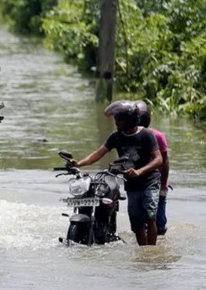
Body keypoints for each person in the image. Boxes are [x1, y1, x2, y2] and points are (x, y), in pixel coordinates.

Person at [69, 102, 163, 246]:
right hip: (132, 184)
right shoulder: (116, 136)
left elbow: (158, 160)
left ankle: (151, 250)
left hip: (150, 181)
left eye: (119, 119)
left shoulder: (146, 134)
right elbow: (98, 154)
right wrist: (78, 164)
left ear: (130, 120)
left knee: (150, 216)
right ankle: (143, 252)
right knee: (136, 221)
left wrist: (139, 172)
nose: (116, 122)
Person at [106, 100, 171, 236]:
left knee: (157, 221)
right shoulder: (122, 135)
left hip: (154, 181)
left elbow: (164, 162)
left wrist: (163, 187)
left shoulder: (154, 135)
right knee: (137, 222)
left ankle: (155, 243)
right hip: (134, 182)